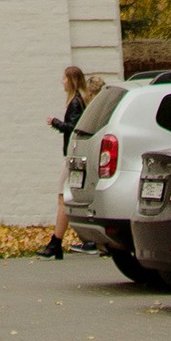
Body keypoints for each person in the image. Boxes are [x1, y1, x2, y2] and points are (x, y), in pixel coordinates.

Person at [41, 65, 95, 257]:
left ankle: (57, 243)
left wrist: (55, 122)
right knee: (71, 197)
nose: (61, 81)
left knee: (64, 197)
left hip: (72, 156)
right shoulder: (79, 101)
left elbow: (72, 128)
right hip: (74, 155)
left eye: (64, 78)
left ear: (71, 80)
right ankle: (60, 242)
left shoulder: (75, 103)